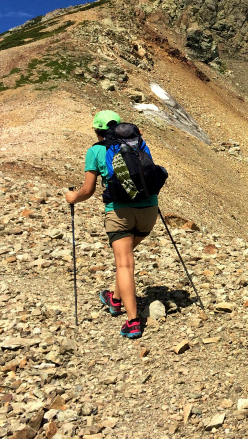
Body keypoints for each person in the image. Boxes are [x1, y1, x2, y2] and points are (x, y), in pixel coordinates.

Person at [65, 110, 159, 339]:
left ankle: (133, 321)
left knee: (124, 265)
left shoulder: (96, 151)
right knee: (124, 260)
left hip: (119, 213)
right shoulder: (138, 145)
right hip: (149, 212)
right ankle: (115, 299)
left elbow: (87, 191)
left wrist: (72, 198)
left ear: (97, 131)